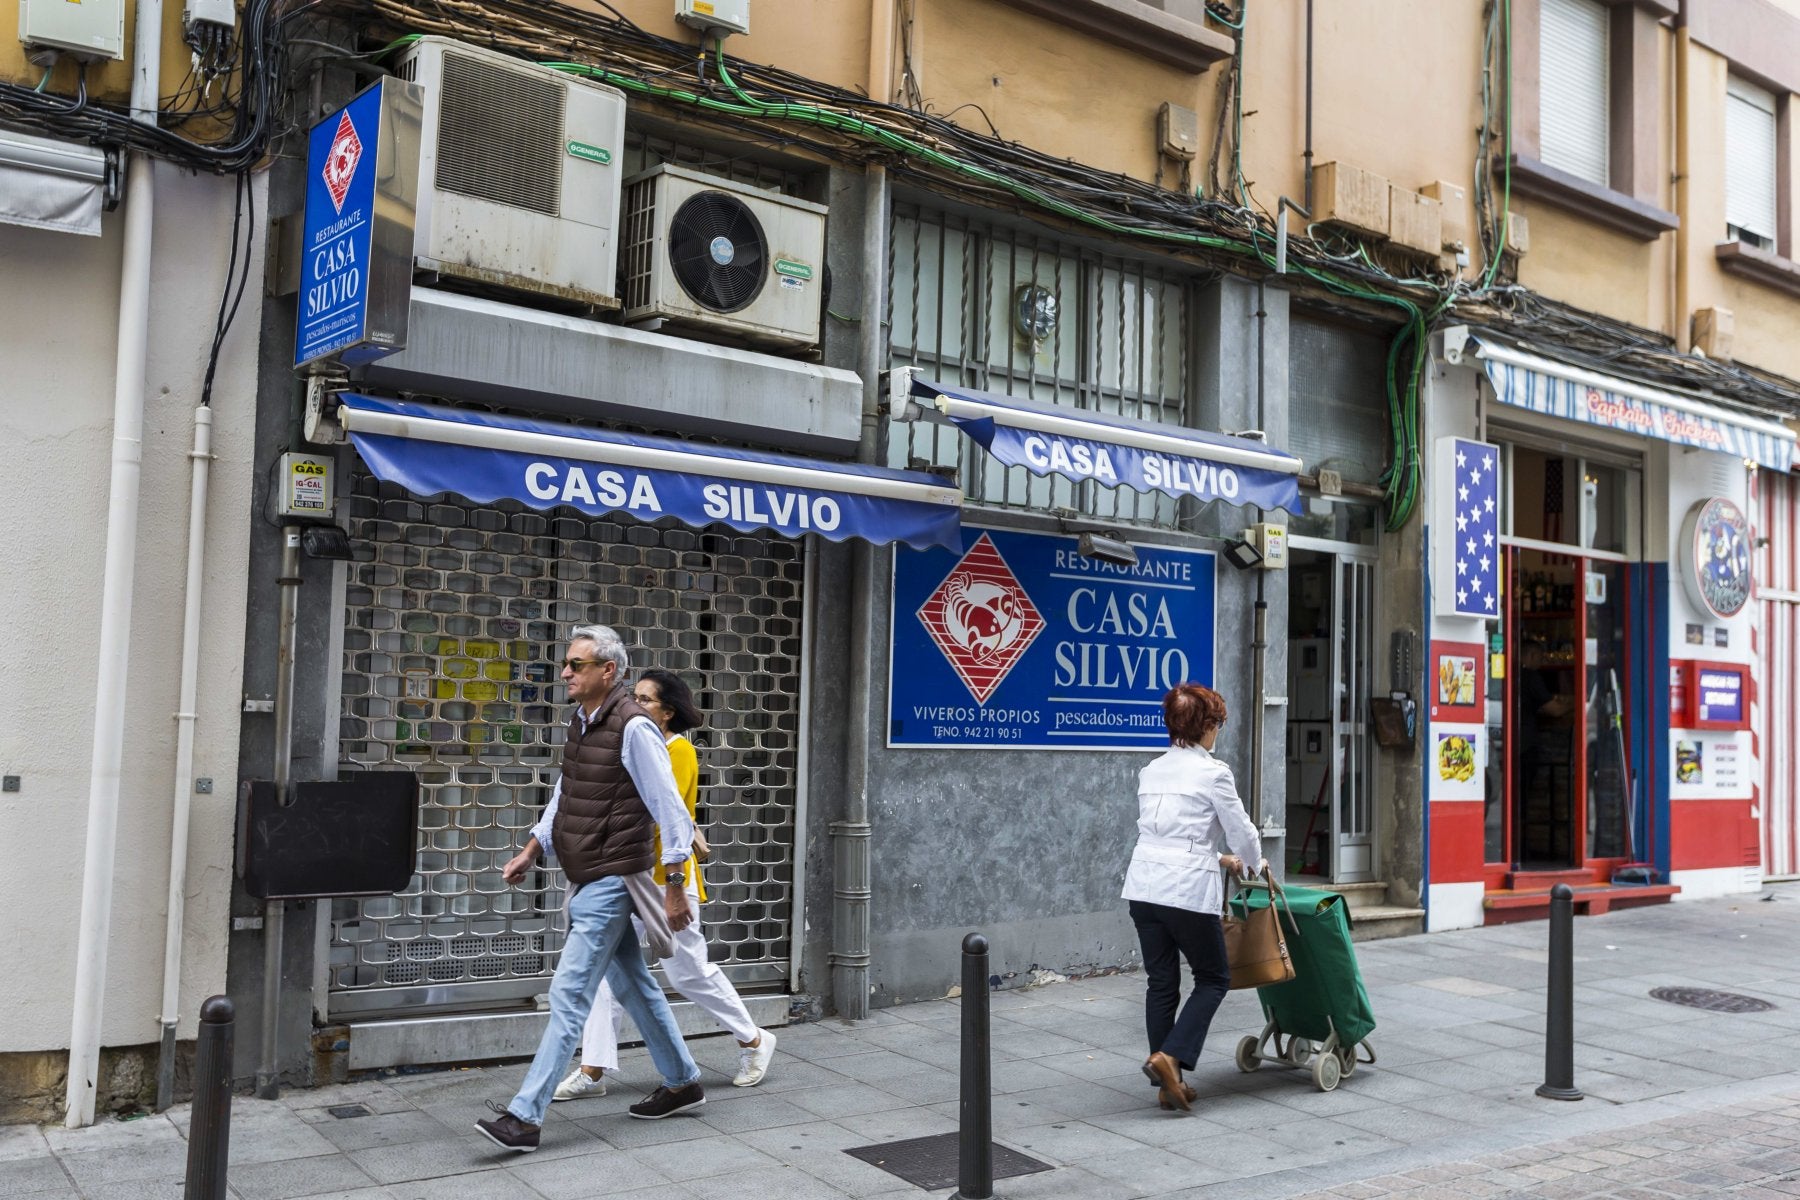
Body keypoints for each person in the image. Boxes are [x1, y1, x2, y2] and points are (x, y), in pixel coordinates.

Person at [474, 625, 705, 1153]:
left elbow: (671, 810)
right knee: (633, 984)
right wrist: (533, 848)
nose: (565, 674)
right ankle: (682, 1080)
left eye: (576, 665)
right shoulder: (582, 723)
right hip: (587, 871)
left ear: (609, 671)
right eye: (566, 664)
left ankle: (524, 1118)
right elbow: (567, 791)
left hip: (614, 875)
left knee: (569, 992)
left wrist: (673, 886)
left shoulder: (634, 728)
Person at [547, 668, 777, 1100]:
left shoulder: (678, 750)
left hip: (665, 881)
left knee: (688, 973)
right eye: (634, 697)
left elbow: (656, 811)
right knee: (602, 974)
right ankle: (592, 1070)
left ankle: (754, 1040)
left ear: (668, 713)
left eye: (647, 700)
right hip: (624, 877)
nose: (636, 704)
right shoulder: (630, 741)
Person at [1121, 683, 1265, 1112]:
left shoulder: (1151, 771)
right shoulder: (1213, 773)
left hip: (1144, 888)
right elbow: (1242, 831)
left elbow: (1169, 834)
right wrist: (1255, 864)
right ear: (1206, 726)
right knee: (1213, 978)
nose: (1217, 732)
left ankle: (1170, 1085)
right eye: (1216, 724)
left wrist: (1221, 859)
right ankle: (1169, 1057)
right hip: (1184, 892)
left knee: (1161, 982)